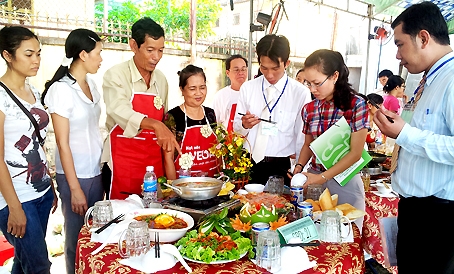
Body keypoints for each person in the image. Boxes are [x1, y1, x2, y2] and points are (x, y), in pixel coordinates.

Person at [373, 2, 454, 273]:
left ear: (423, 38)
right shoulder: (428, 78)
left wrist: (405, 134)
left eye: (399, 44)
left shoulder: (452, 79)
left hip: (440, 218)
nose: (397, 56)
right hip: (417, 211)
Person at [41, 29, 104, 274]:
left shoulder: (91, 84)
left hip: (96, 172)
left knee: (95, 234)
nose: (101, 59)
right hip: (75, 177)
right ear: (82, 54)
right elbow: (62, 143)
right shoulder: (61, 90)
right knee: (76, 238)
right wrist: (75, 188)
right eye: (98, 54)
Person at [102, 17, 180, 199]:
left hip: (153, 164)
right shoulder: (116, 74)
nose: (157, 57)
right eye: (150, 50)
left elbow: (164, 118)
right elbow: (119, 109)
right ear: (134, 46)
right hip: (123, 163)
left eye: (161, 50)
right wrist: (155, 125)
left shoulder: (161, 79)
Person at [0, 26, 57, 274]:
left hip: (40, 188)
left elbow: (38, 140)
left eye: (39, 53)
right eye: (29, 54)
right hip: (15, 196)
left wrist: (50, 184)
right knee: (39, 266)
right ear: (7, 55)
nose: (36, 60)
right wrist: (14, 207)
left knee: (26, 264)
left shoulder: (33, 90)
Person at [293, 49, 368, 231]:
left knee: (345, 237)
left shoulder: (356, 105)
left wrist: (322, 177)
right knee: (315, 238)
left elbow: (355, 153)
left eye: (317, 83)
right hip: (314, 179)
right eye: (308, 83)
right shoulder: (309, 109)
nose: (312, 89)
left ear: (335, 76)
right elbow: (308, 145)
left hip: (345, 181)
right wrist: (299, 168)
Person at [234, 34, 311, 186]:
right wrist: (244, 125)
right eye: (264, 68)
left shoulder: (300, 93)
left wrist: (300, 169)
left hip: (282, 166)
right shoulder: (248, 88)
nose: (269, 74)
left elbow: (302, 136)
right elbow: (237, 130)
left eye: (275, 68)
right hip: (249, 163)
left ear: (287, 63)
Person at [163, 65, 217, 179]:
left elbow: (218, 150)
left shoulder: (210, 114)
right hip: (183, 186)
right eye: (192, 89)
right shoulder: (173, 117)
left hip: (211, 184)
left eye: (202, 87)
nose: (199, 93)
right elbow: (168, 158)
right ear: (182, 89)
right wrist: (174, 189)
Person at [213, 55, 248, 132]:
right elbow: (216, 123)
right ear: (227, 73)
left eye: (243, 69)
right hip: (228, 141)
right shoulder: (220, 96)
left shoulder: (253, 93)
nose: (241, 73)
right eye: (236, 70)